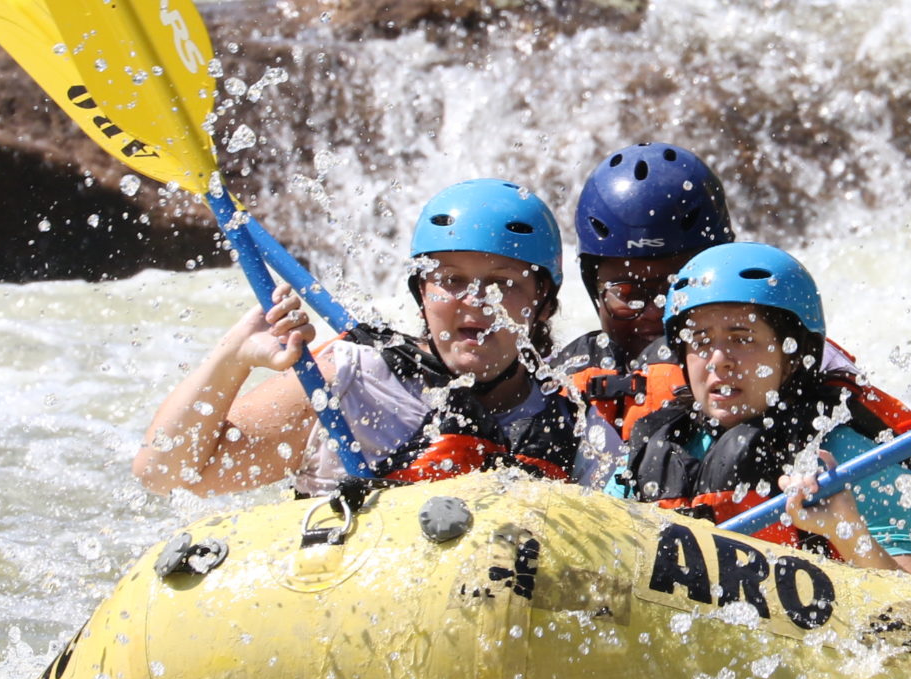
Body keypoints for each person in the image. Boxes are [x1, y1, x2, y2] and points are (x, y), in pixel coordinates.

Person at [136, 180, 617, 498]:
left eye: (504, 283)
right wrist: (233, 356)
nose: (475, 299)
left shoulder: (573, 422)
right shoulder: (350, 378)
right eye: (449, 279)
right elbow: (165, 474)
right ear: (420, 294)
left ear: (545, 303)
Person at [607, 244, 911, 573]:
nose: (719, 361)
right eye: (702, 341)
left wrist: (846, 531)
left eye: (742, 338)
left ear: (793, 357)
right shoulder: (649, 451)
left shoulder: (850, 460)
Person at [556, 143, 734, 438]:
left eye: (678, 288)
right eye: (627, 293)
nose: (655, 313)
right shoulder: (560, 383)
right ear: (594, 291)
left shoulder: (769, 364)